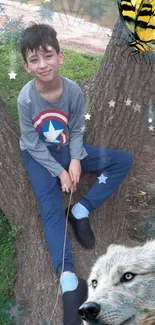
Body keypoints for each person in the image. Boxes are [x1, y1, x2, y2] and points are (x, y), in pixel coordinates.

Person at [17, 23, 133, 325]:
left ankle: (81, 210)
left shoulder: (73, 91)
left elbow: (78, 128)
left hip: (69, 147)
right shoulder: (26, 99)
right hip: (39, 157)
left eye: (48, 56)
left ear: (61, 57)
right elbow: (31, 142)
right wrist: (59, 172)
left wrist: (77, 160)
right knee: (51, 211)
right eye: (34, 59)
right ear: (26, 66)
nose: (43, 65)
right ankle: (70, 282)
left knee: (121, 161)